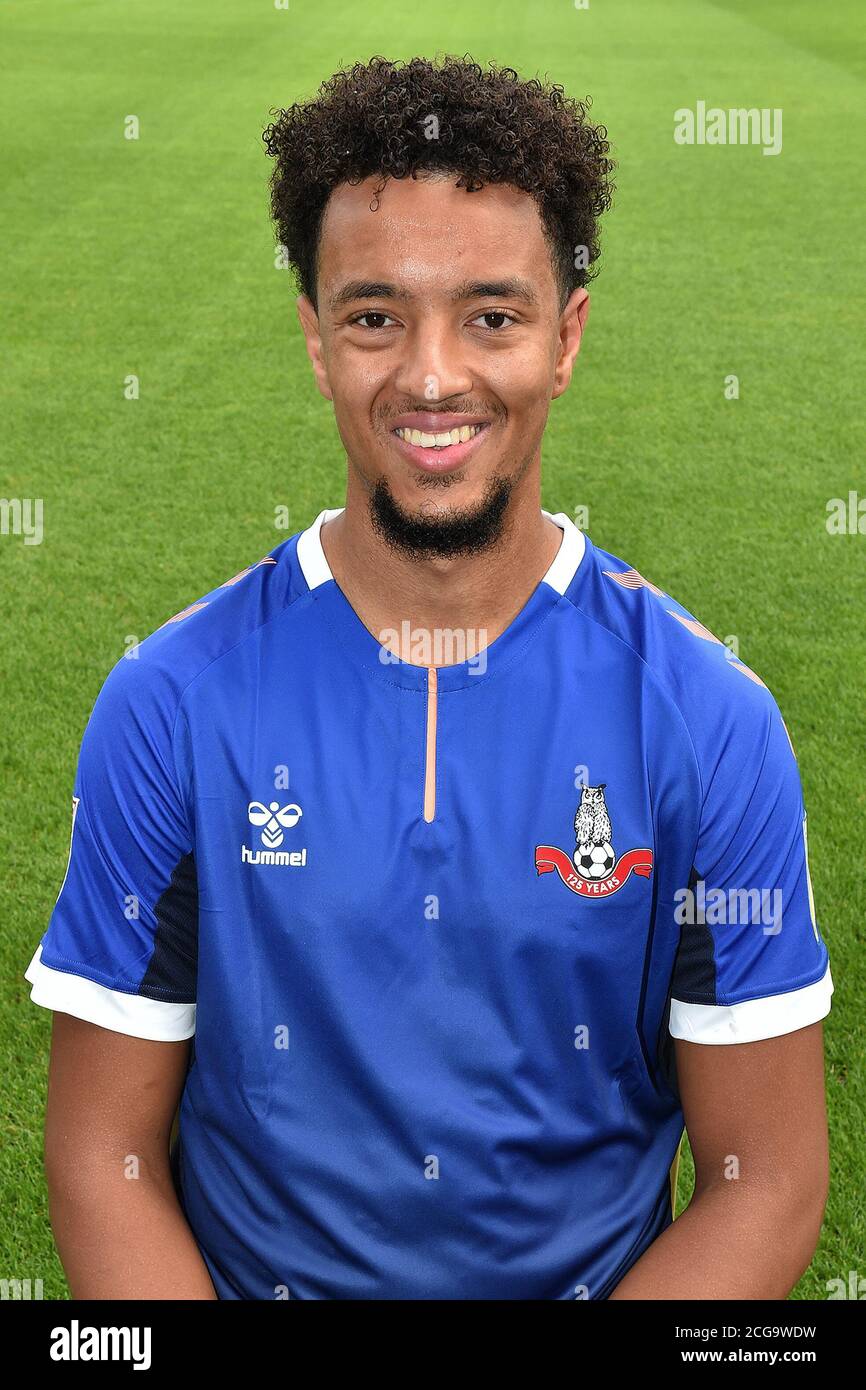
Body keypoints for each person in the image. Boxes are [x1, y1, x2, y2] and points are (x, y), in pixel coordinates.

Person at [25, 55, 832, 1300]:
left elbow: (764, 1180)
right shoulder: (172, 703)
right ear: (314, 338)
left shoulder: (707, 721)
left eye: (491, 316)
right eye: (374, 316)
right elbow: (101, 1152)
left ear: (564, 338)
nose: (432, 376)